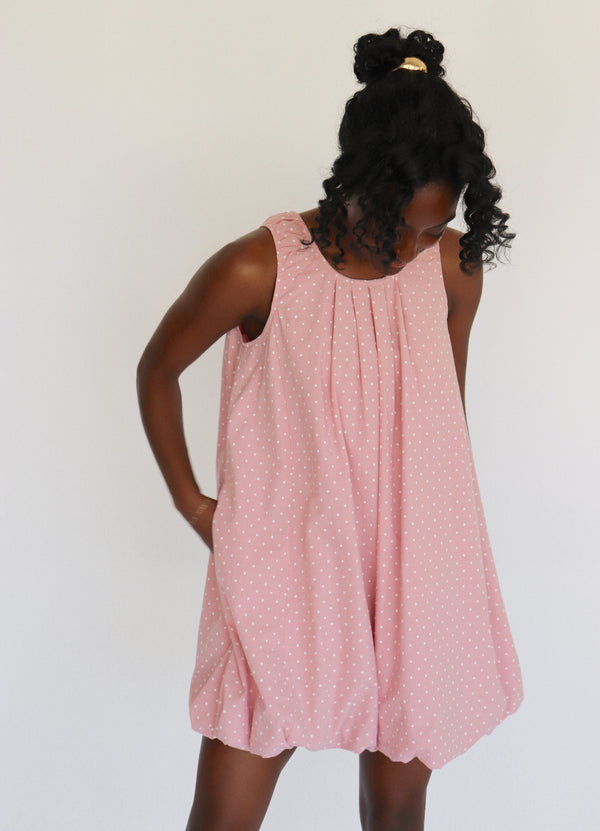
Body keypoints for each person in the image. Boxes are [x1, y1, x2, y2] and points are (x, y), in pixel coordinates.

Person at [137, 26, 524, 831]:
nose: (421, 244)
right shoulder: (260, 267)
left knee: (395, 805)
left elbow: (442, 410)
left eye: (436, 224)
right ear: (359, 181)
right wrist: (196, 507)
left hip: (418, 564)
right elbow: (157, 370)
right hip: (292, 564)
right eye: (407, 223)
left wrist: (439, 541)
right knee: (224, 815)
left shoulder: (452, 266)